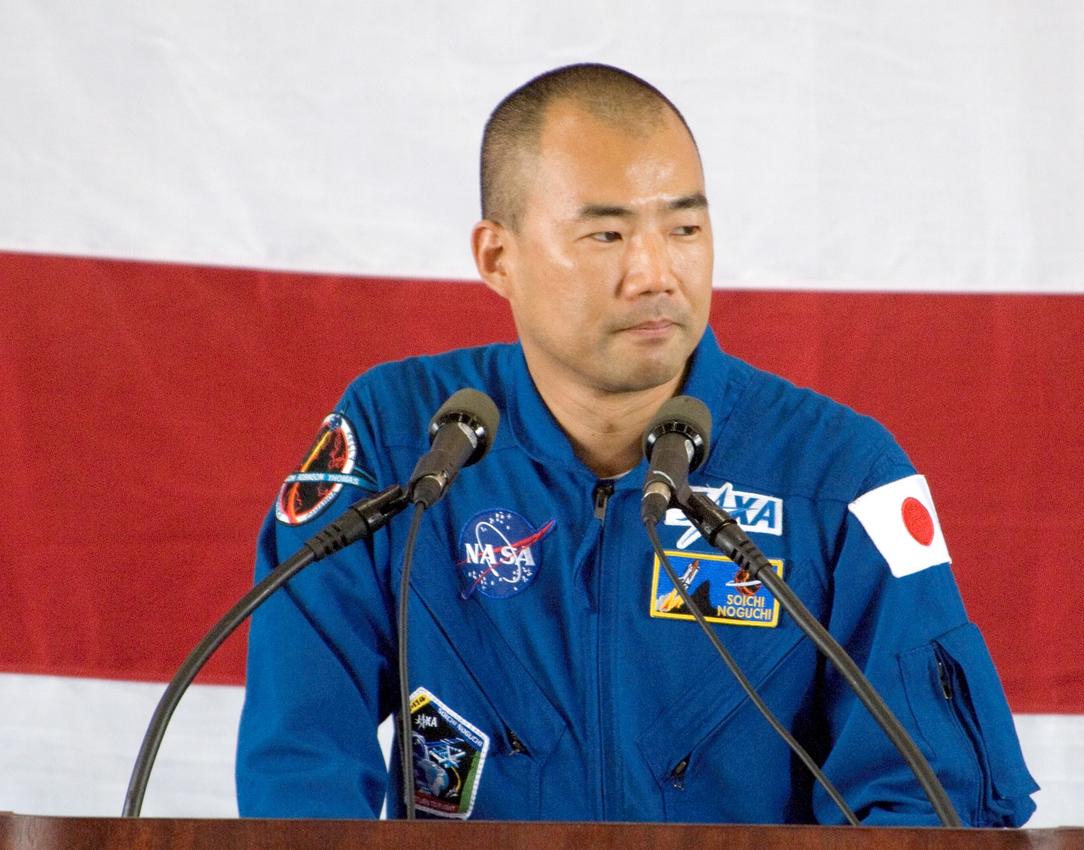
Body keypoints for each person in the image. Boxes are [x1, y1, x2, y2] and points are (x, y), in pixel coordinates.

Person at [236, 63, 1038, 825]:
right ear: (497, 256)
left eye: (684, 227)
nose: (655, 272)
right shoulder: (401, 440)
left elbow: (927, 797)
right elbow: (301, 761)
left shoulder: (840, 475)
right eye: (607, 237)